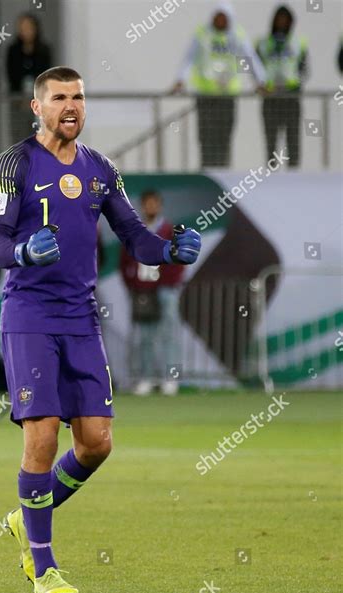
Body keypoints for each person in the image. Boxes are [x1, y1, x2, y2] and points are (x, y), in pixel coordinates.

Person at [0, 66, 202, 593]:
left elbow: (135, 237)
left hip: (81, 319)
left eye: (78, 96)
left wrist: (169, 250)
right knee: (42, 436)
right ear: (37, 107)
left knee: (97, 443)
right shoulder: (11, 165)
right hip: (30, 315)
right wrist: (22, 252)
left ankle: (27, 515)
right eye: (59, 98)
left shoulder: (100, 168)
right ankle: (44, 566)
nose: (71, 106)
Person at [171, 3, 265, 167]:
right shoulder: (202, 34)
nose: (220, 21)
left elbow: (249, 58)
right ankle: (206, 167)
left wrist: (260, 80)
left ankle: (223, 167)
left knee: (224, 135)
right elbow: (189, 58)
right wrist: (180, 79)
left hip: (227, 95)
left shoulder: (237, 35)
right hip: (206, 94)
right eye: (217, 17)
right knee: (205, 136)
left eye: (223, 18)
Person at [120, 190, 184, 396]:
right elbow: (125, 260)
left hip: (165, 290)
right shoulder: (136, 231)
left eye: (154, 204)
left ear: (160, 206)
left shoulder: (169, 230)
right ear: (142, 206)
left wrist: (167, 282)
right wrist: (133, 283)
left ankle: (170, 378)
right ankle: (146, 377)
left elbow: (179, 259)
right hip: (142, 290)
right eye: (147, 204)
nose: (151, 208)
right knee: (144, 336)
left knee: (167, 334)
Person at [256, 5, 308, 167]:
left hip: (290, 97)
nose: (282, 23)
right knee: (271, 139)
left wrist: (295, 85)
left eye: (285, 20)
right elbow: (255, 68)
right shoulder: (263, 44)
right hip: (270, 97)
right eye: (279, 19)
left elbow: (304, 69)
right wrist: (261, 85)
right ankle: (271, 175)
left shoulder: (298, 43)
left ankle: (294, 175)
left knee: (293, 138)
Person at [7, 13, 52, 94]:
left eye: (28, 27)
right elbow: (11, 74)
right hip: (17, 94)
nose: (26, 31)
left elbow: (46, 73)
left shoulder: (44, 50)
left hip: (39, 93)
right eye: (23, 28)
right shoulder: (13, 50)